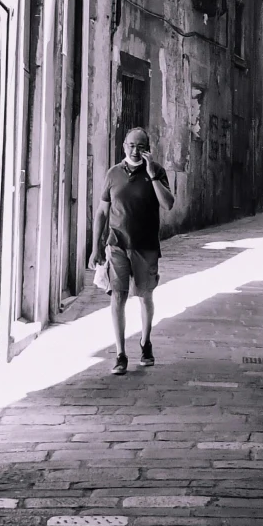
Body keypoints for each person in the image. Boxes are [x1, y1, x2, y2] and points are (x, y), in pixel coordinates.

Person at [92, 126, 173, 374]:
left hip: (146, 245)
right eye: (131, 145)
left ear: (147, 148)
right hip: (116, 245)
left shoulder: (157, 171)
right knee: (118, 296)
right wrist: (96, 247)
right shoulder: (113, 174)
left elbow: (168, 204)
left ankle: (145, 342)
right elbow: (102, 212)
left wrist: (152, 175)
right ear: (124, 146)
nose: (135, 150)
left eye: (140, 145)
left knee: (145, 295)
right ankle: (120, 354)